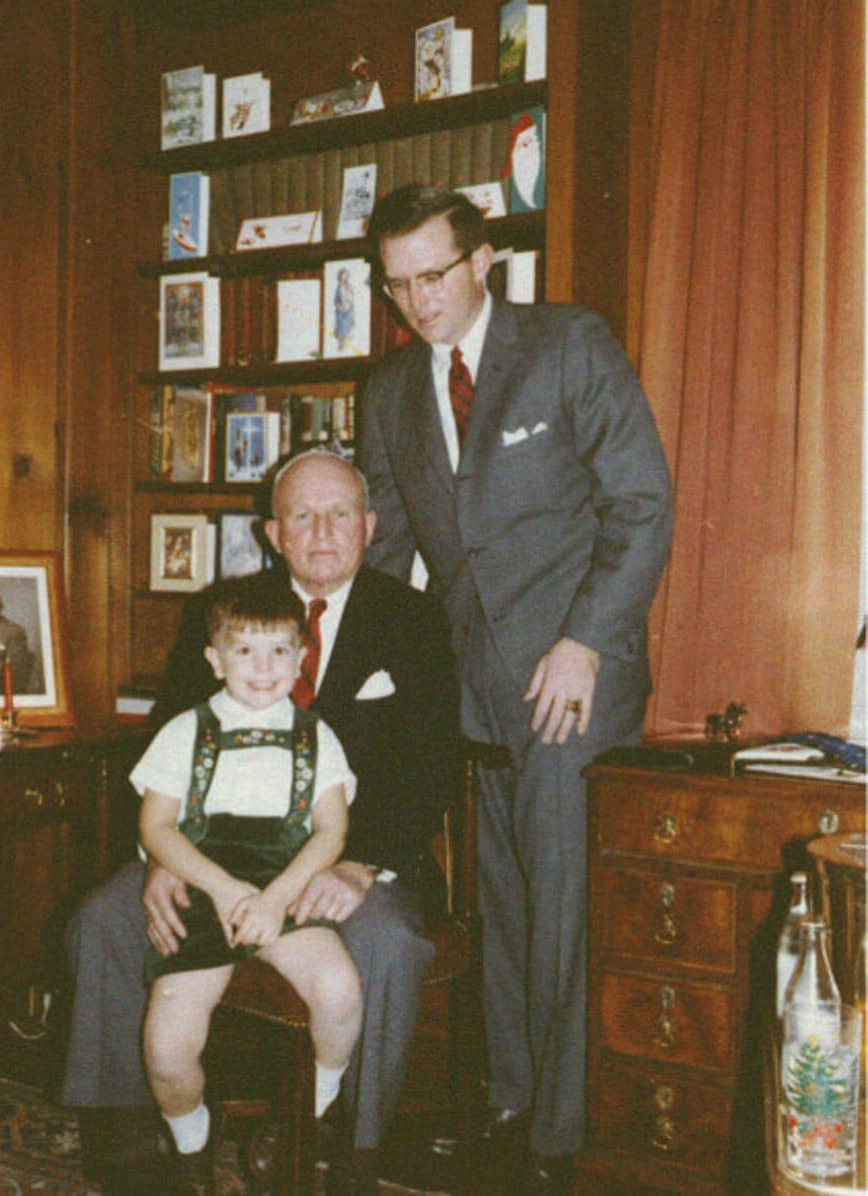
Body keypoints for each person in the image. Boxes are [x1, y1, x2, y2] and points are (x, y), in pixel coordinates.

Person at [358, 184, 674, 1193]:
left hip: (573, 685)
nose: (418, 301)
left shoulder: (568, 344)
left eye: (434, 275)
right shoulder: (390, 393)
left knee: (561, 909)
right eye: (397, 283)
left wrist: (585, 640)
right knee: (500, 907)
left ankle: (559, 1141)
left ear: (482, 258)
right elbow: (386, 555)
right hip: (471, 694)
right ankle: (510, 1102)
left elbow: (641, 503)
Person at [62, 449, 462, 1196]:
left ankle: (349, 1151)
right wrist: (160, 864)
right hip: (208, 850)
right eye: (301, 515)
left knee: (395, 945)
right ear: (273, 531)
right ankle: (126, 1139)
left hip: (346, 859)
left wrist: (359, 862)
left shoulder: (410, 619)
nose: (321, 532)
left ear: (370, 527)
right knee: (104, 919)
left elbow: (431, 762)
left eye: (339, 513)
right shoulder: (221, 613)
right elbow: (172, 745)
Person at [134, 573, 361, 1194]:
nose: (263, 668)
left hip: (285, 885)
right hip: (208, 889)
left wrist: (276, 898)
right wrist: (226, 890)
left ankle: (306, 1117)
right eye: (244, 651)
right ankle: (191, 1142)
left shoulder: (320, 738)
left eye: (279, 651)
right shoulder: (186, 732)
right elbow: (156, 828)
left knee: (340, 991)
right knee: (167, 1043)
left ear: (300, 656)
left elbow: (330, 835)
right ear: (214, 659)